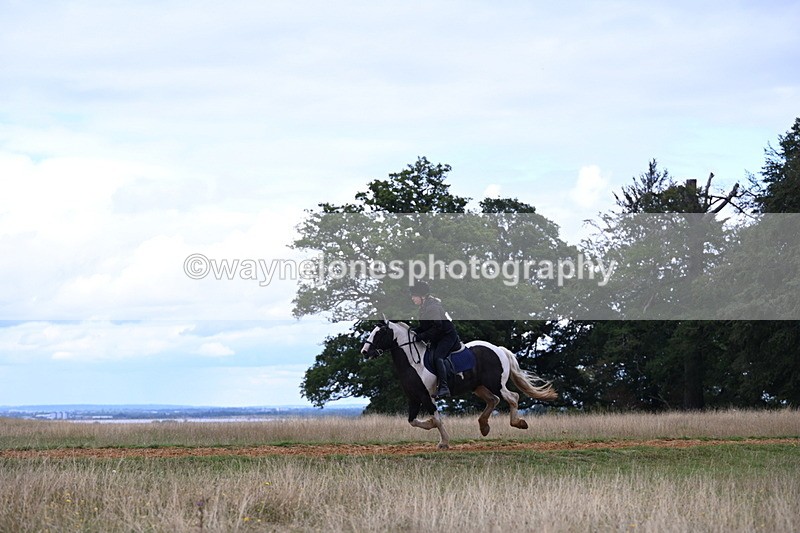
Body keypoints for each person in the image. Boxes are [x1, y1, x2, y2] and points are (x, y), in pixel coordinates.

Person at [409, 280, 460, 398]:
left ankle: (444, 387)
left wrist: (422, 336)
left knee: (438, 357)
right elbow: (425, 326)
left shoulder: (432, 307)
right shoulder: (423, 307)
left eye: (414, 296)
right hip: (438, 337)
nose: (412, 298)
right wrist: (413, 331)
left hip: (447, 336)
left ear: (422, 296)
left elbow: (438, 326)